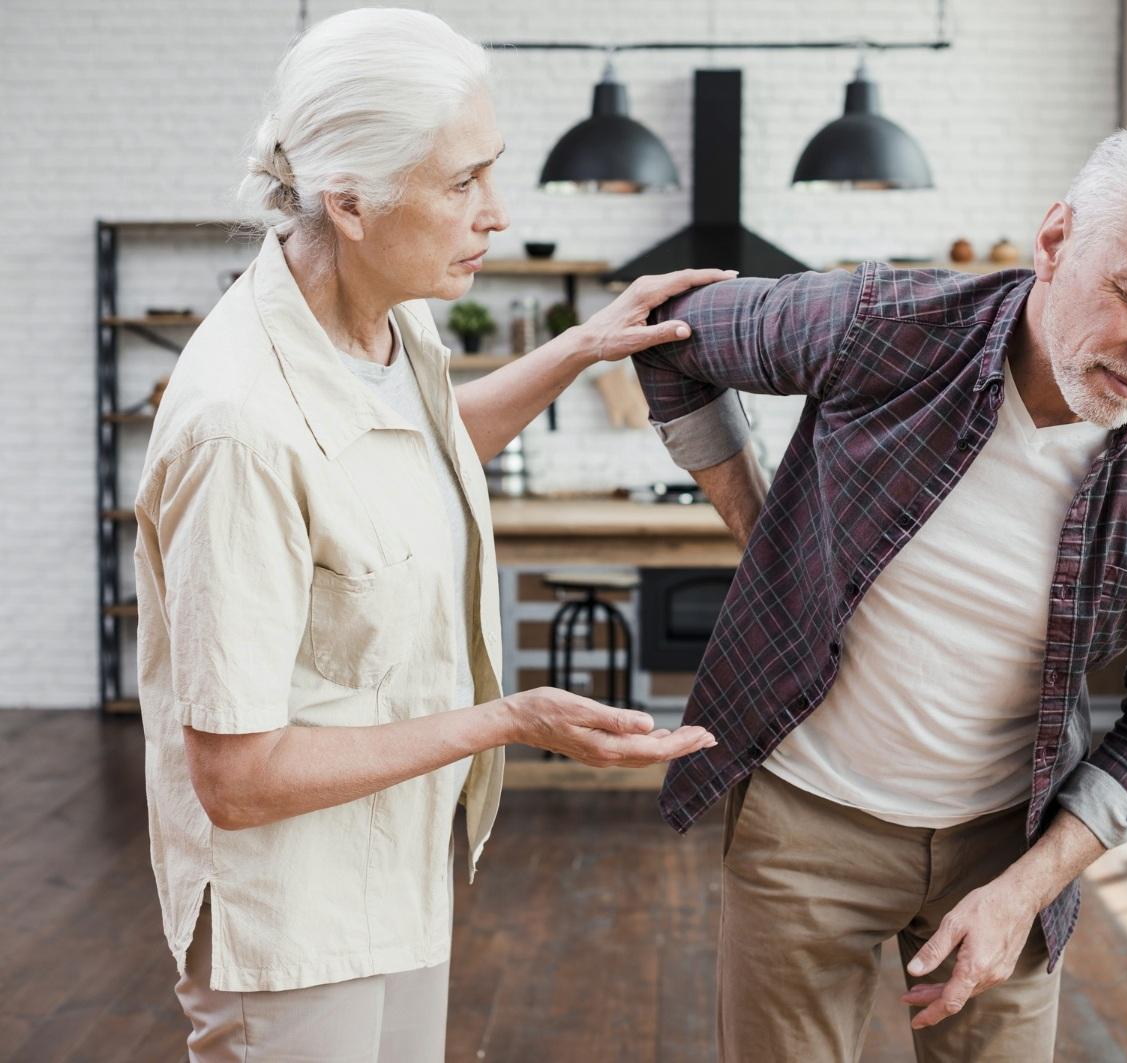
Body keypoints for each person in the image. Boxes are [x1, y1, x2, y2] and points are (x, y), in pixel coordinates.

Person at [132, 9, 728, 1061]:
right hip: (292, 919)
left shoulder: (382, 321)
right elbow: (236, 775)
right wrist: (504, 719)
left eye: (489, 173)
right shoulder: (240, 427)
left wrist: (581, 347)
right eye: (462, 184)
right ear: (349, 202)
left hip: (397, 866)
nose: (495, 213)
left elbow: (424, 442)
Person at [633, 128, 1127, 1062]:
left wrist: (1024, 892)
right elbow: (672, 334)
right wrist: (764, 530)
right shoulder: (884, 323)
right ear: (1056, 241)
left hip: (1008, 843)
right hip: (804, 822)